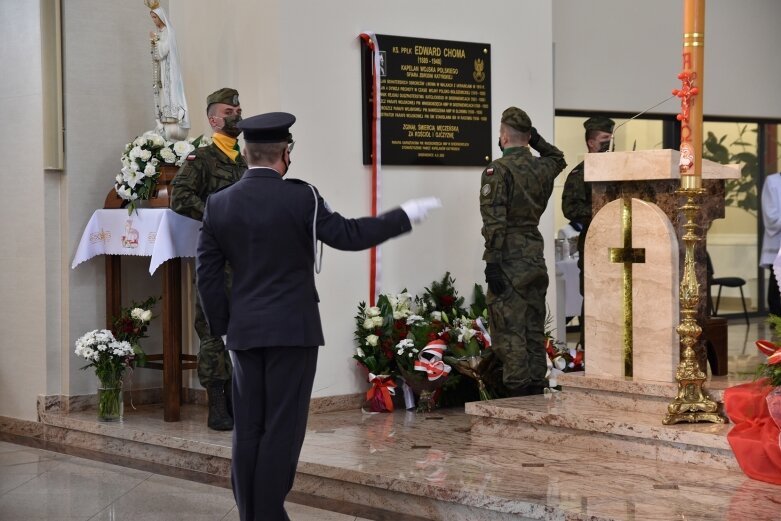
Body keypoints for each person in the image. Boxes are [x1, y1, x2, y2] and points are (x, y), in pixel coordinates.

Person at [196, 111, 441, 521]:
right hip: (293, 329)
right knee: (282, 427)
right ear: (284, 154)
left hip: (243, 331)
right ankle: (268, 514)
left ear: (244, 152)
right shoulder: (302, 197)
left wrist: (221, 329)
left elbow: (206, 275)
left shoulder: (218, 204)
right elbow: (349, 235)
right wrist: (404, 215)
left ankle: (251, 515)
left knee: (249, 427)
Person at [171, 87, 246, 431]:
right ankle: (216, 403)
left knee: (243, 328)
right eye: (230, 111)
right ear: (214, 119)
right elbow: (180, 197)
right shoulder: (200, 159)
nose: (237, 114)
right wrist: (216, 218)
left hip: (245, 257)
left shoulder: (243, 160)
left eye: (238, 109)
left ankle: (238, 397)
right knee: (214, 327)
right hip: (216, 257)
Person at [480, 107, 567, 397]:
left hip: (508, 257)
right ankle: (534, 382)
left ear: (503, 136)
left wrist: (492, 262)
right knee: (533, 323)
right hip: (534, 253)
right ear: (527, 137)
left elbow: (494, 223)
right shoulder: (542, 167)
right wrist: (534, 139)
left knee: (509, 325)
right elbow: (558, 157)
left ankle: (516, 389)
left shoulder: (498, 170)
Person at [561, 116, 614, 348]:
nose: (609, 144)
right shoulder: (579, 173)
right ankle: (589, 348)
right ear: (591, 143)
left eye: (611, 139)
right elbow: (570, 209)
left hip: (618, 243)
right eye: (604, 139)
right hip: (593, 243)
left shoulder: (617, 170)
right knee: (593, 299)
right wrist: (602, 210)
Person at [147, 1, 190, 136]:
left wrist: (155, 41)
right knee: (162, 92)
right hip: (162, 68)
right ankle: (165, 118)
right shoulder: (161, 32)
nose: (153, 20)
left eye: (155, 17)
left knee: (169, 91)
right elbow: (156, 55)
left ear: (161, 17)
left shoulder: (168, 32)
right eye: (152, 17)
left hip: (169, 71)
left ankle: (171, 117)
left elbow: (163, 51)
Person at [761, 171, 781, 315]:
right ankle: (776, 320)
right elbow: (771, 216)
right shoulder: (772, 181)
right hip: (777, 244)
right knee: (777, 285)